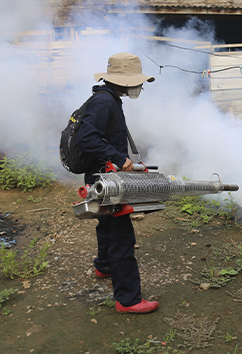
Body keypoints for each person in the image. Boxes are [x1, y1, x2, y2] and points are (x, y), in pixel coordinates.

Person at [75, 52, 159, 314]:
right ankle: (128, 299)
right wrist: (116, 156)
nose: (139, 85)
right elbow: (86, 139)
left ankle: (104, 266)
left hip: (102, 175)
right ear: (124, 81)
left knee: (107, 223)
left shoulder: (108, 98)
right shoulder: (104, 103)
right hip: (107, 179)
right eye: (136, 80)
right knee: (121, 236)